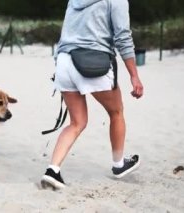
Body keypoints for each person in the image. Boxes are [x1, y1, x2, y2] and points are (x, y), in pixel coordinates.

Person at [41, 0, 144, 190]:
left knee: (76, 122)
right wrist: (134, 76)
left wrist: (60, 63)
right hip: (94, 62)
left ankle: (52, 170)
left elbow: (65, 33)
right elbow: (123, 37)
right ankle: (119, 164)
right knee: (116, 112)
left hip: (65, 60)